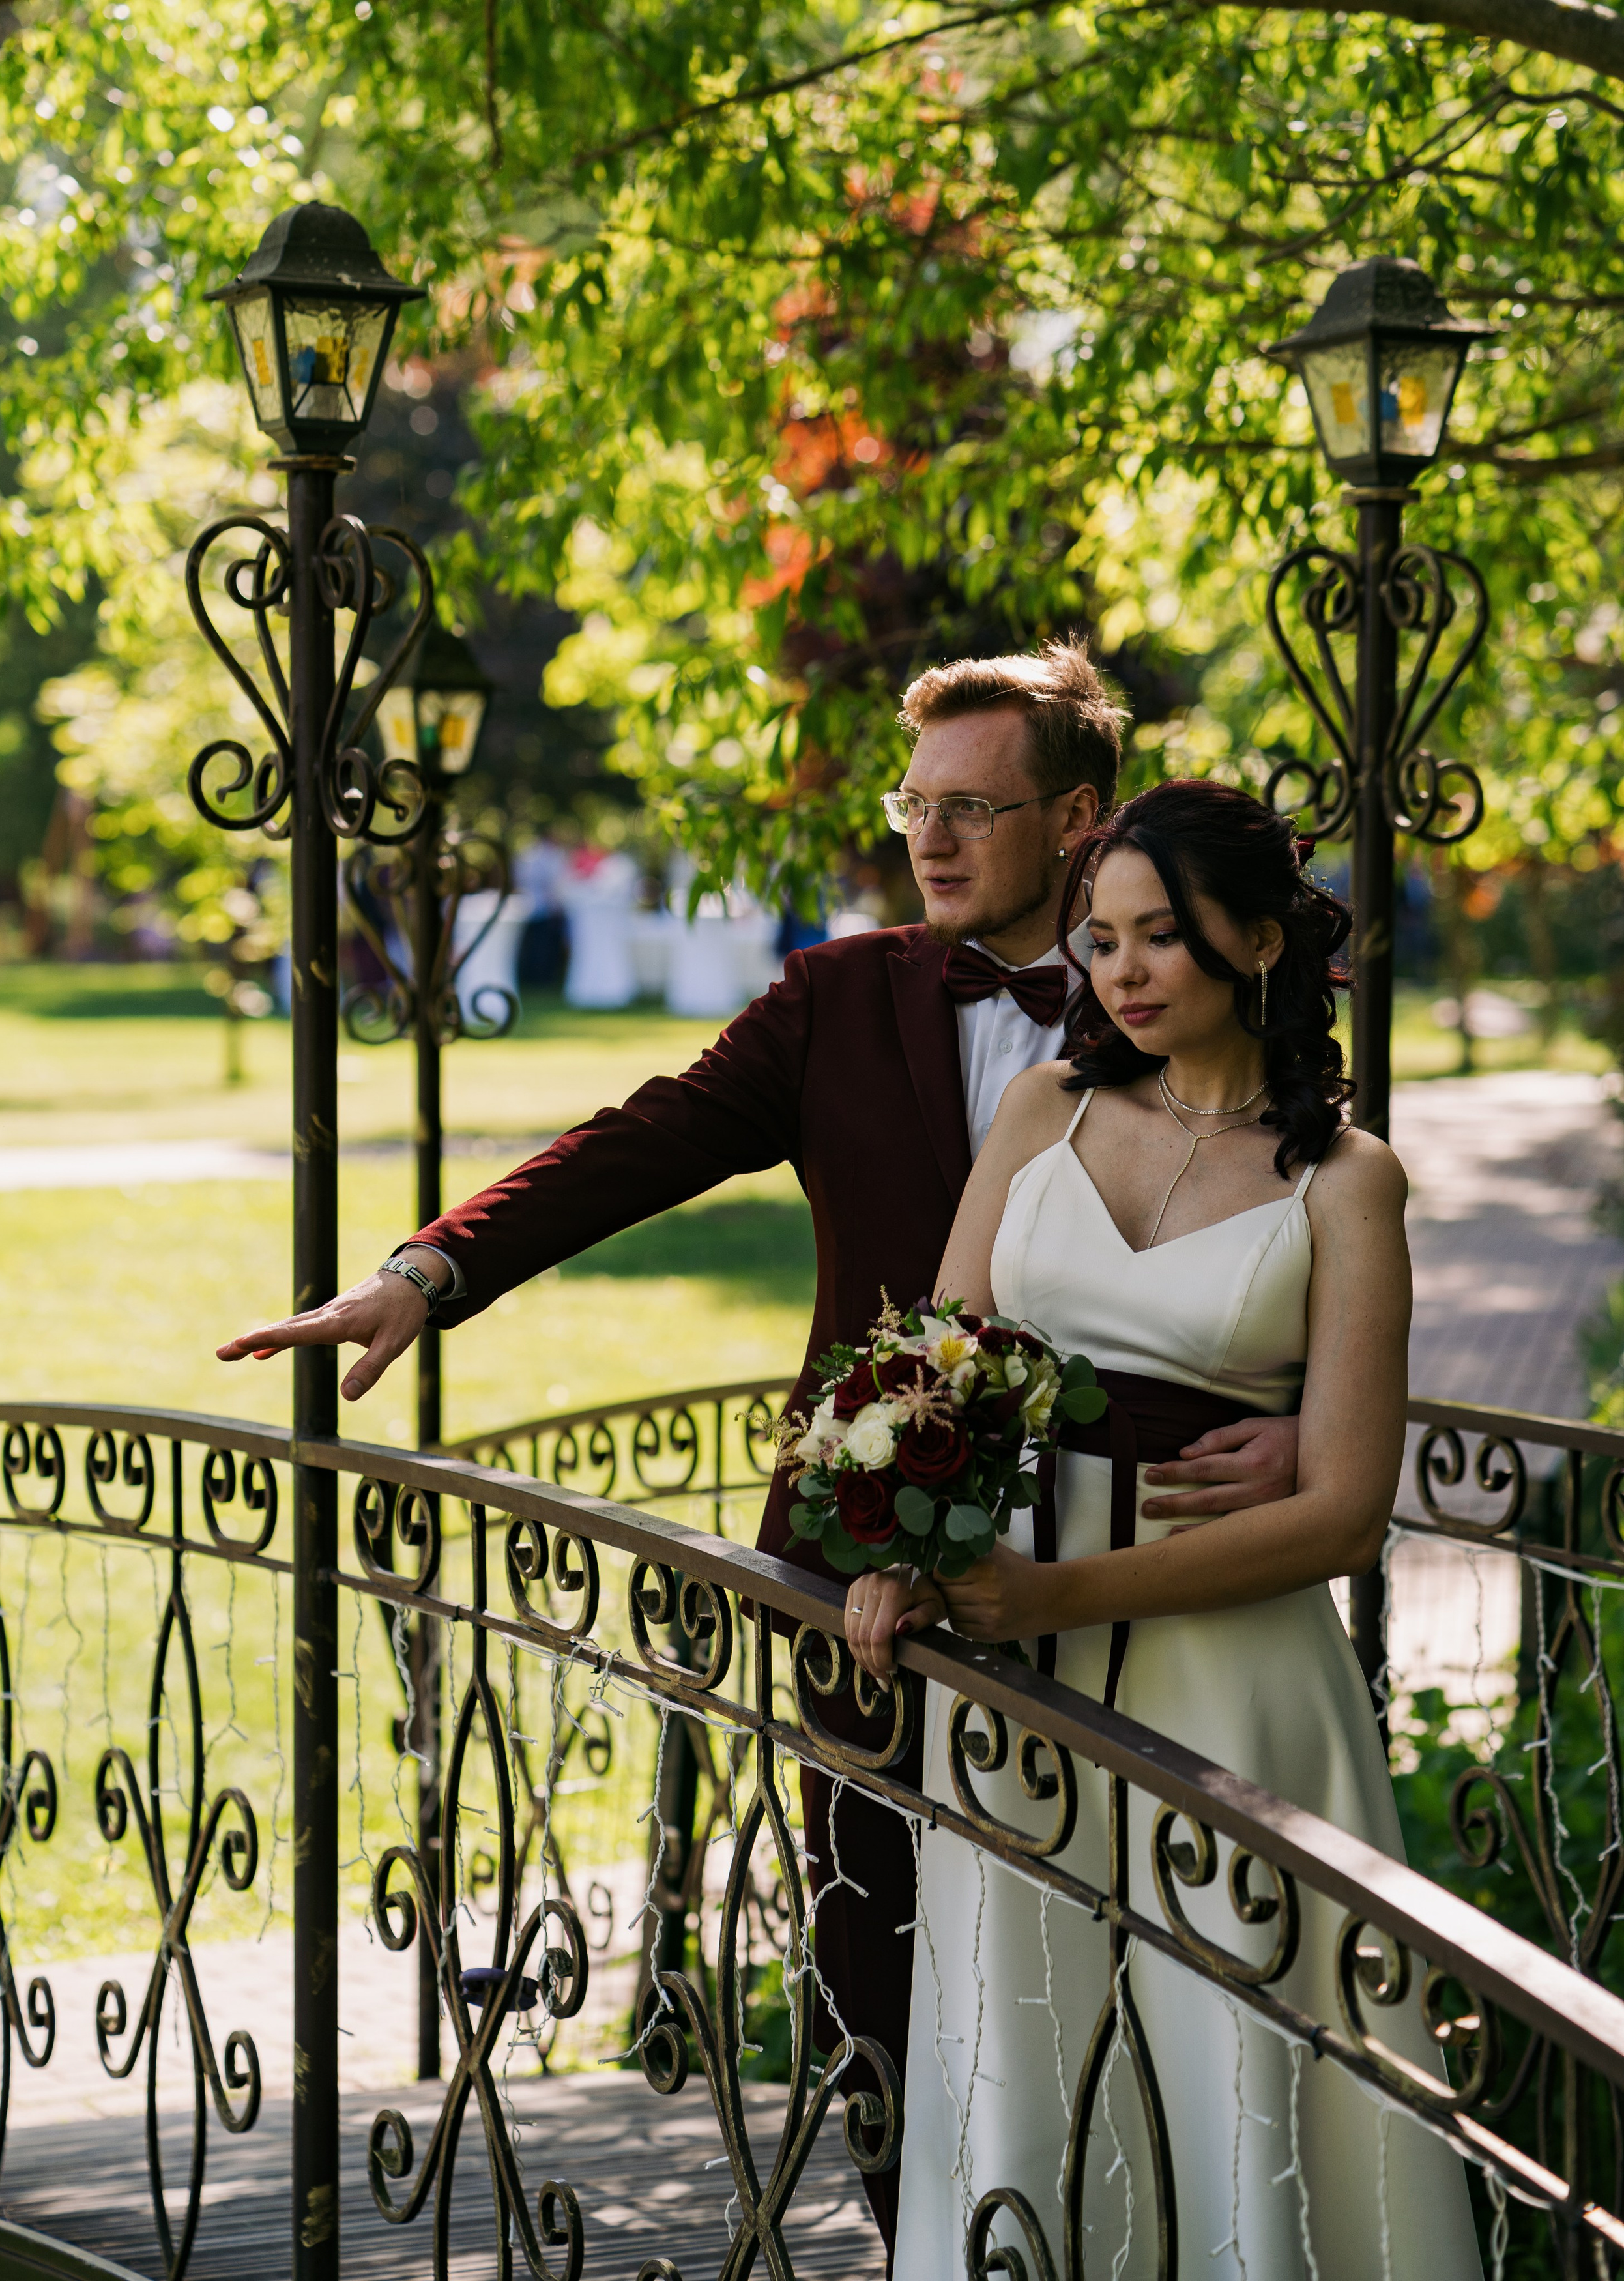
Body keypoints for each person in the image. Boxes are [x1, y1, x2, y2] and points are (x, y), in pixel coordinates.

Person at [216, 643, 1303, 2267]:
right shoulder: (835, 998)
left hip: (1134, 1577)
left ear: (1078, 817)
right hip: (862, 1574)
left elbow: (1297, 1221)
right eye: (913, 805)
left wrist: (1301, 1412)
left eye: (972, 807)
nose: (928, 839)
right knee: (881, 1972)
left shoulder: (1175, 987)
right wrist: (428, 1272)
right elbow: (641, 1140)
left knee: (1133, 1980)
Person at [845, 779, 1482, 2278]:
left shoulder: (1346, 1180)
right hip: (1014, 1682)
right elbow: (935, 1364)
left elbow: (1343, 1512)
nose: (1121, 971)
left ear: (1258, 943)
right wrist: (897, 1544)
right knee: (1022, 2035)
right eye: (1102, 938)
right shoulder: (1042, 1111)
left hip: (1231, 1686)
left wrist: (1056, 1594)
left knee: (1235, 2056)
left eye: (1161, 937)